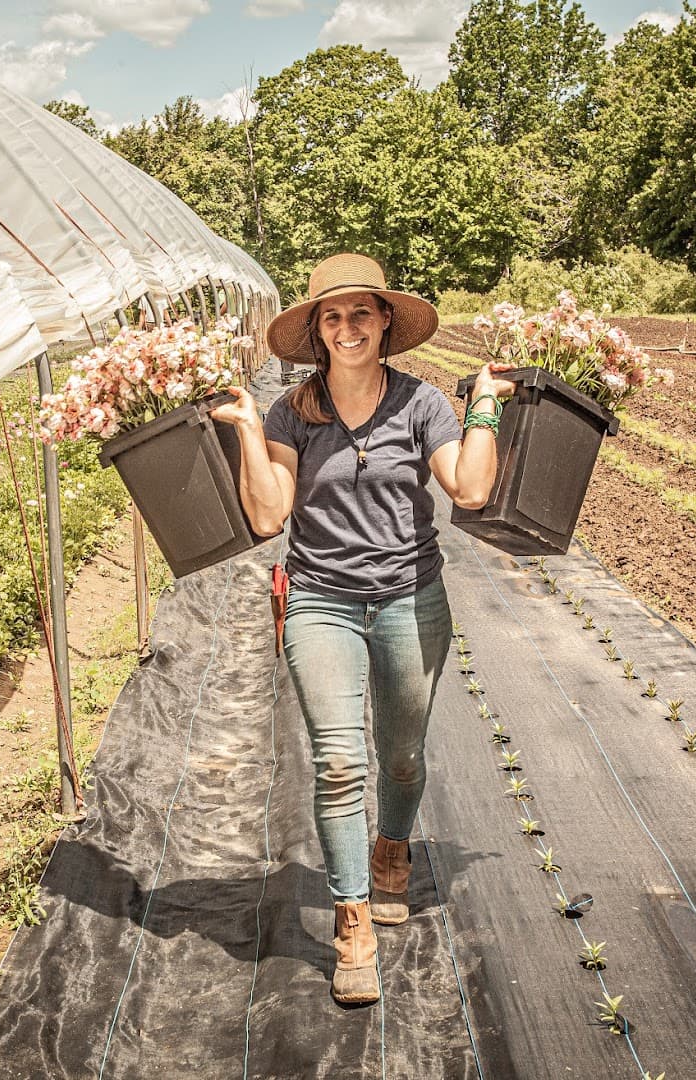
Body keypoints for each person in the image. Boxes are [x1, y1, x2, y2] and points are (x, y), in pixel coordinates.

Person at [211, 253, 513, 1004]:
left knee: (402, 757)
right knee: (340, 763)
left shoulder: (420, 404)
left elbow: (471, 488)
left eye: (360, 314)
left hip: (411, 598)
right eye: (332, 317)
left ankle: (392, 850)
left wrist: (483, 406)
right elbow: (269, 516)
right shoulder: (291, 412)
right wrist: (247, 428)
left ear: (384, 323)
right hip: (321, 601)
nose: (347, 328)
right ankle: (353, 922)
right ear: (317, 330)